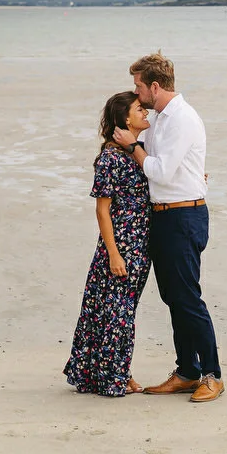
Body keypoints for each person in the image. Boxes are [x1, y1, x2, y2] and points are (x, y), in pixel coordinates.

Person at [112, 52, 223, 402]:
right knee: (173, 297)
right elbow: (167, 165)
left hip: (183, 217)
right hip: (163, 215)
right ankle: (187, 371)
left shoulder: (182, 119)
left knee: (188, 298)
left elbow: (159, 170)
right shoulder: (160, 118)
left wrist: (133, 148)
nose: (136, 92)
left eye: (139, 86)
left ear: (155, 86)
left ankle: (212, 375)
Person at [63, 90, 154, 396]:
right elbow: (102, 209)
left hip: (140, 246)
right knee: (116, 314)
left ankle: (114, 371)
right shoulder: (111, 158)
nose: (146, 113)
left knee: (121, 313)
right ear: (123, 118)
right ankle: (113, 377)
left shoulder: (136, 151)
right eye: (139, 109)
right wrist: (114, 254)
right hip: (121, 248)